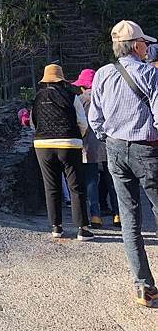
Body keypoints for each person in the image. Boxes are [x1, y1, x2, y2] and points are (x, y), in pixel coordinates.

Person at [89, 20, 158, 308]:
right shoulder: (149, 74)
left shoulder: (103, 74)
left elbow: (95, 118)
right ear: (138, 45)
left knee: (129, 219)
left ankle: (144, 287)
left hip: (115, 149)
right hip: (147, 148)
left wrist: (110, 139)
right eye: (146, 44)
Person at [31, 64, 94, 241]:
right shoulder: (71, 96)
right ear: (61, 79)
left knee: (51, 186)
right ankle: (82, 228)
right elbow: (83, 122)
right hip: (69, 143)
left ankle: (56, 227)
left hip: (43, 145)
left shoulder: (37, 97)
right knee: (76, 186)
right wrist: (77, 138)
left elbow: (32, 122)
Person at [72, 69, 120, 229]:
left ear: (82, 86)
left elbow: (78, 123)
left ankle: (95, 216)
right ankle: (117, 214)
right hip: (108, 143)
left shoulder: (79, 100)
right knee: (112, 180)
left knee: (91, 181)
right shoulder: (107, 96)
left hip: (88, 146)